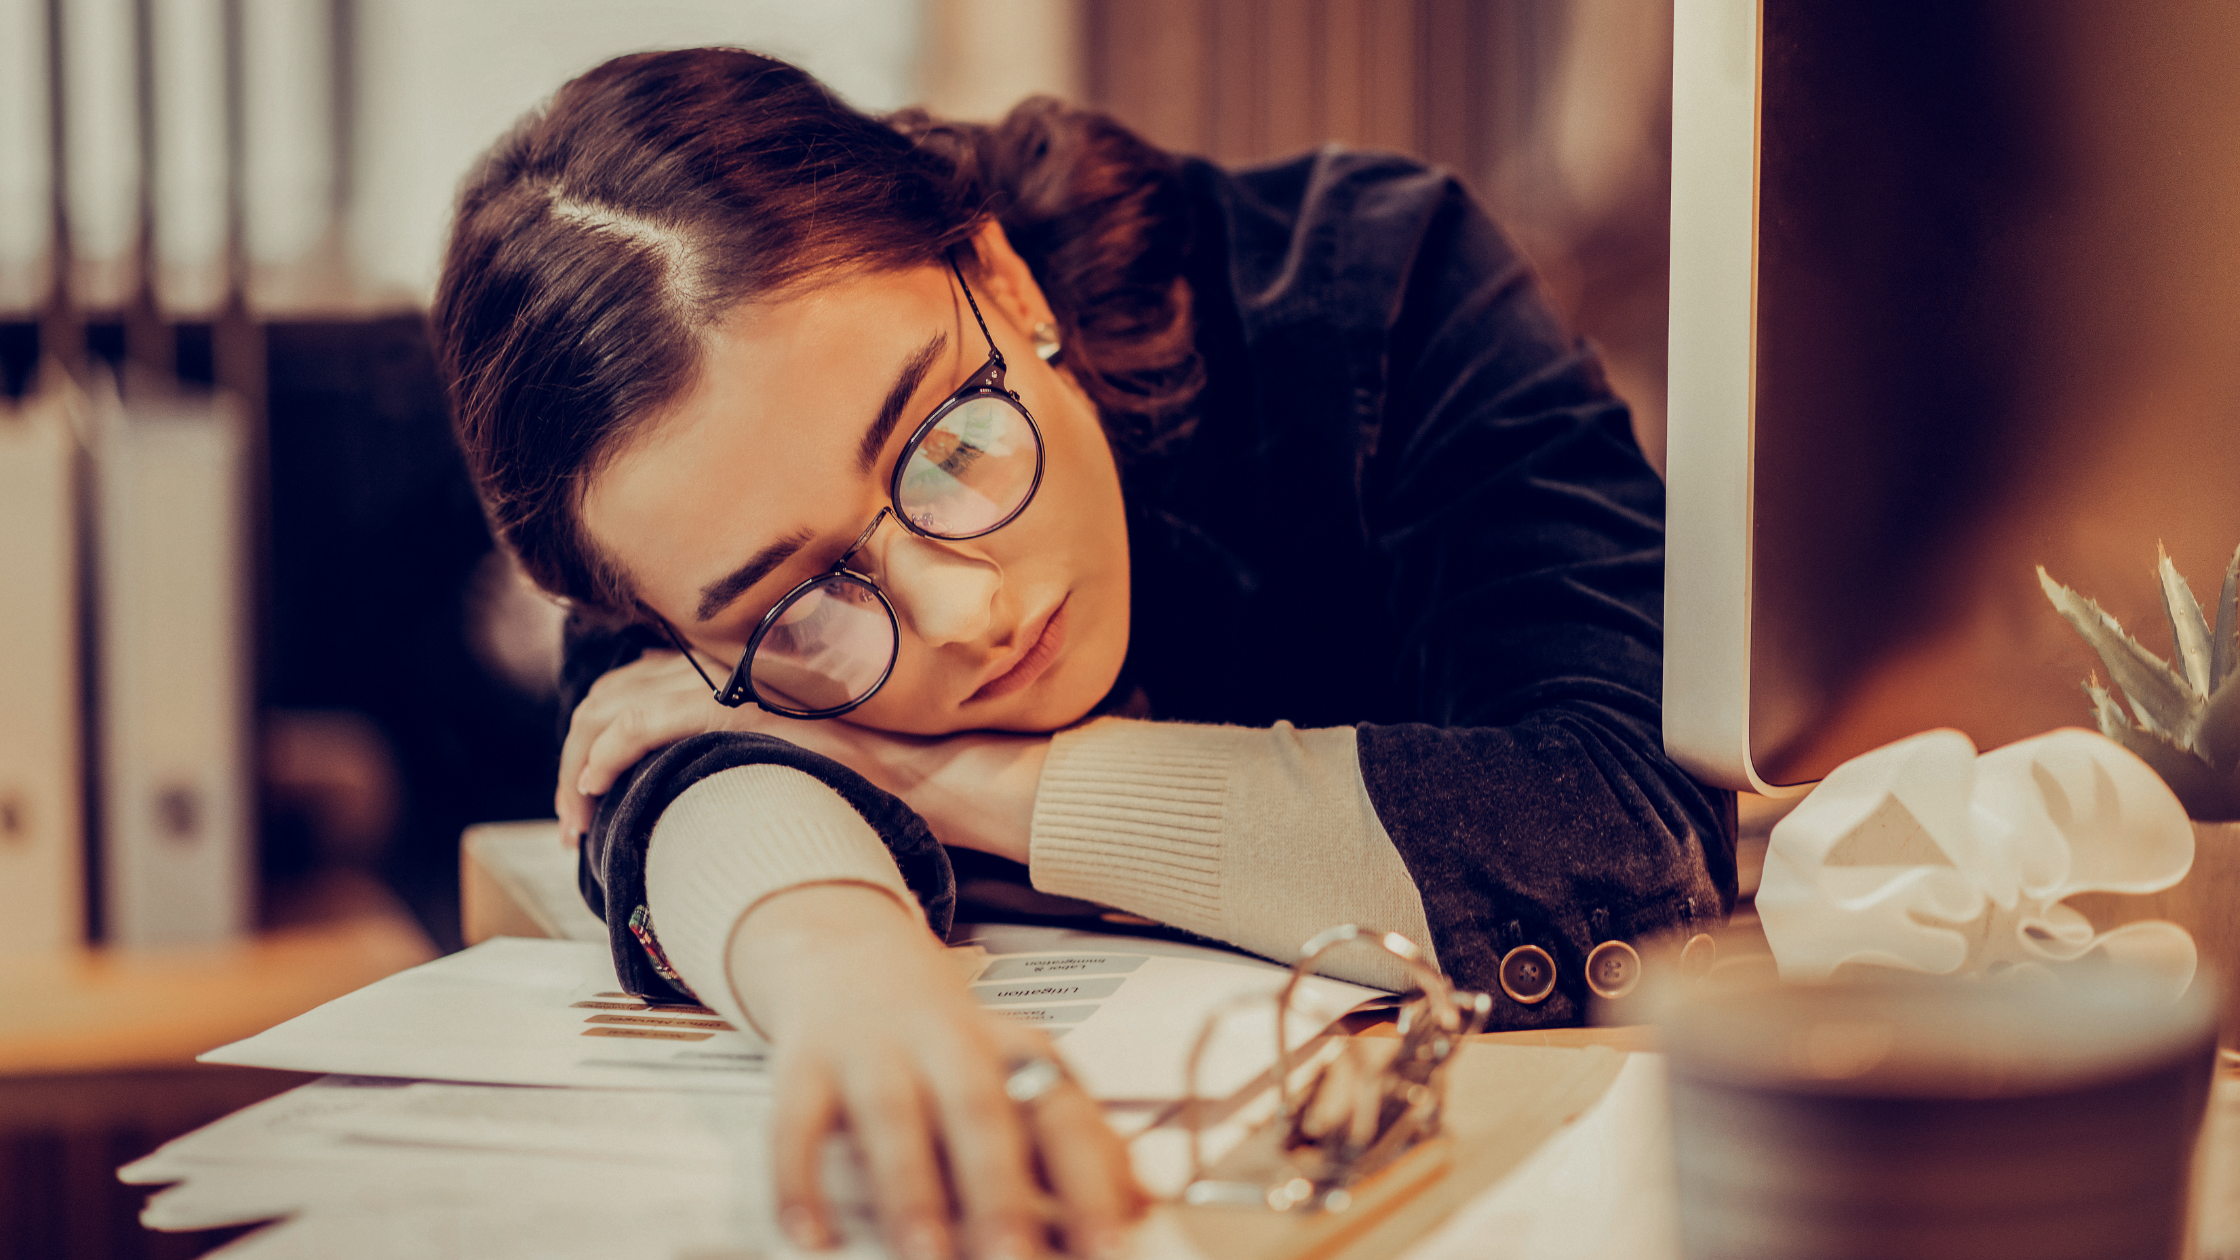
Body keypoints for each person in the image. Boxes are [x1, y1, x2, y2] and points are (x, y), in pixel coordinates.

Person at [434, 47, 1734, 1260]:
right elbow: (682, 787)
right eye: (807, 602)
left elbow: (1625, 823)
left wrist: (928, 769)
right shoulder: (674, 508)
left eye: (946, 444)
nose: (958, 615)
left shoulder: (1374, 286)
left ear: (1001, 279)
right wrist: (851, 986)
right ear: (668, 628)